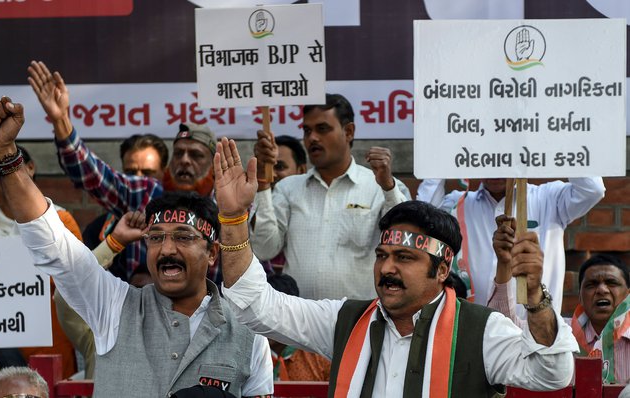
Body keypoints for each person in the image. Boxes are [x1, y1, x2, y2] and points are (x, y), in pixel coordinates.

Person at [214, 138, 578, 396]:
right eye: (382, 255)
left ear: (441, 268)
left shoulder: (481, 332)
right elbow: (255, 304)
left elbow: (552, 373)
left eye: (404, 258)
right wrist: (232, 218)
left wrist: (535, 298)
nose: (387, 268)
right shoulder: (345, 321)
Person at [0, 97, 272, 397]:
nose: (167, 249)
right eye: (156, 237)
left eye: (183, 237)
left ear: (212, 252)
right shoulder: (114, 307)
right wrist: (5, 155)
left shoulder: (249, 336)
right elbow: (51, 242)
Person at [27, 60, 221, 281]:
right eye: (179, 153)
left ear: (213, 165)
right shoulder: (144, 193)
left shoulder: (227, 208)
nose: (185, 161)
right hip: (141, 312)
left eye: (196, 155)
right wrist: (61, 120)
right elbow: (92, 174)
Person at [251, 94, 411, 300]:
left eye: (322, 129)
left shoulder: (380, 186)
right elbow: (264, 249)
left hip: (359, 321)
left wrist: (388, 187)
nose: (312, 138)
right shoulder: (288, 188)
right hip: (298, 320)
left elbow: (404, 244)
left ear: (349, 131)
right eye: (307, 131)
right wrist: (263, 183)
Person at [416, 177, 605, 317]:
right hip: (475, 338)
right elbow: (420, 219)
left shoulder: (549, 197)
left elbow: (593, 190)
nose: (496, 166)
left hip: (536, 334)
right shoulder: (457, 204)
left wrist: (560, 136)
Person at [0, 145, 80, 379]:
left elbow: (80, 287)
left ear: (30, 168)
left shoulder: (61, 221)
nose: (2, 175)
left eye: (10, 167)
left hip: (54, 356)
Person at [489, 215, 629, 384]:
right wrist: (504, 263)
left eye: (611, 283)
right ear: (580, 297)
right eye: (591, 285)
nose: (601, 290)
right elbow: (505, 329)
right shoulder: (558, 331)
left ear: (627, 294)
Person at [54, 211, 149, 379]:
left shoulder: (184, 337)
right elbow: (67, 291)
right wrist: (114, 243)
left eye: (153, 293)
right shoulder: (103, 331)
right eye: (137, 290)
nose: (145, 298)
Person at [82, 133, 169, 281]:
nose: (138, 180)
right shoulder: (98, 230)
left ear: (164, 174)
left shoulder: (177, 225)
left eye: (148, 174)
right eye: (131, 173)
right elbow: (82, 280)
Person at [251, 134, 307, 274]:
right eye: (267, 167)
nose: (272, 175)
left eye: (280, 167)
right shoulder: (245, 212)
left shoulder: (313, 211)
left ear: (301, 171)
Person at [267, 273, 330, 382]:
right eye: (265, 314)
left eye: (277, 313)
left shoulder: (320, 357)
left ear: (294, 313)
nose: (268, 322)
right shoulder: (249, 355)